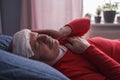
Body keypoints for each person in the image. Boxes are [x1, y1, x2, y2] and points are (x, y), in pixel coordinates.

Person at [8, 18, 120, 80]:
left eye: (37, 35)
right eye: (37, 45)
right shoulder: (69, 72)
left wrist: (61, 32)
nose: (44, 37)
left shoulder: (61, 41)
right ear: (35, 60)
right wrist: (88, 50)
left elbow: (86, 22)